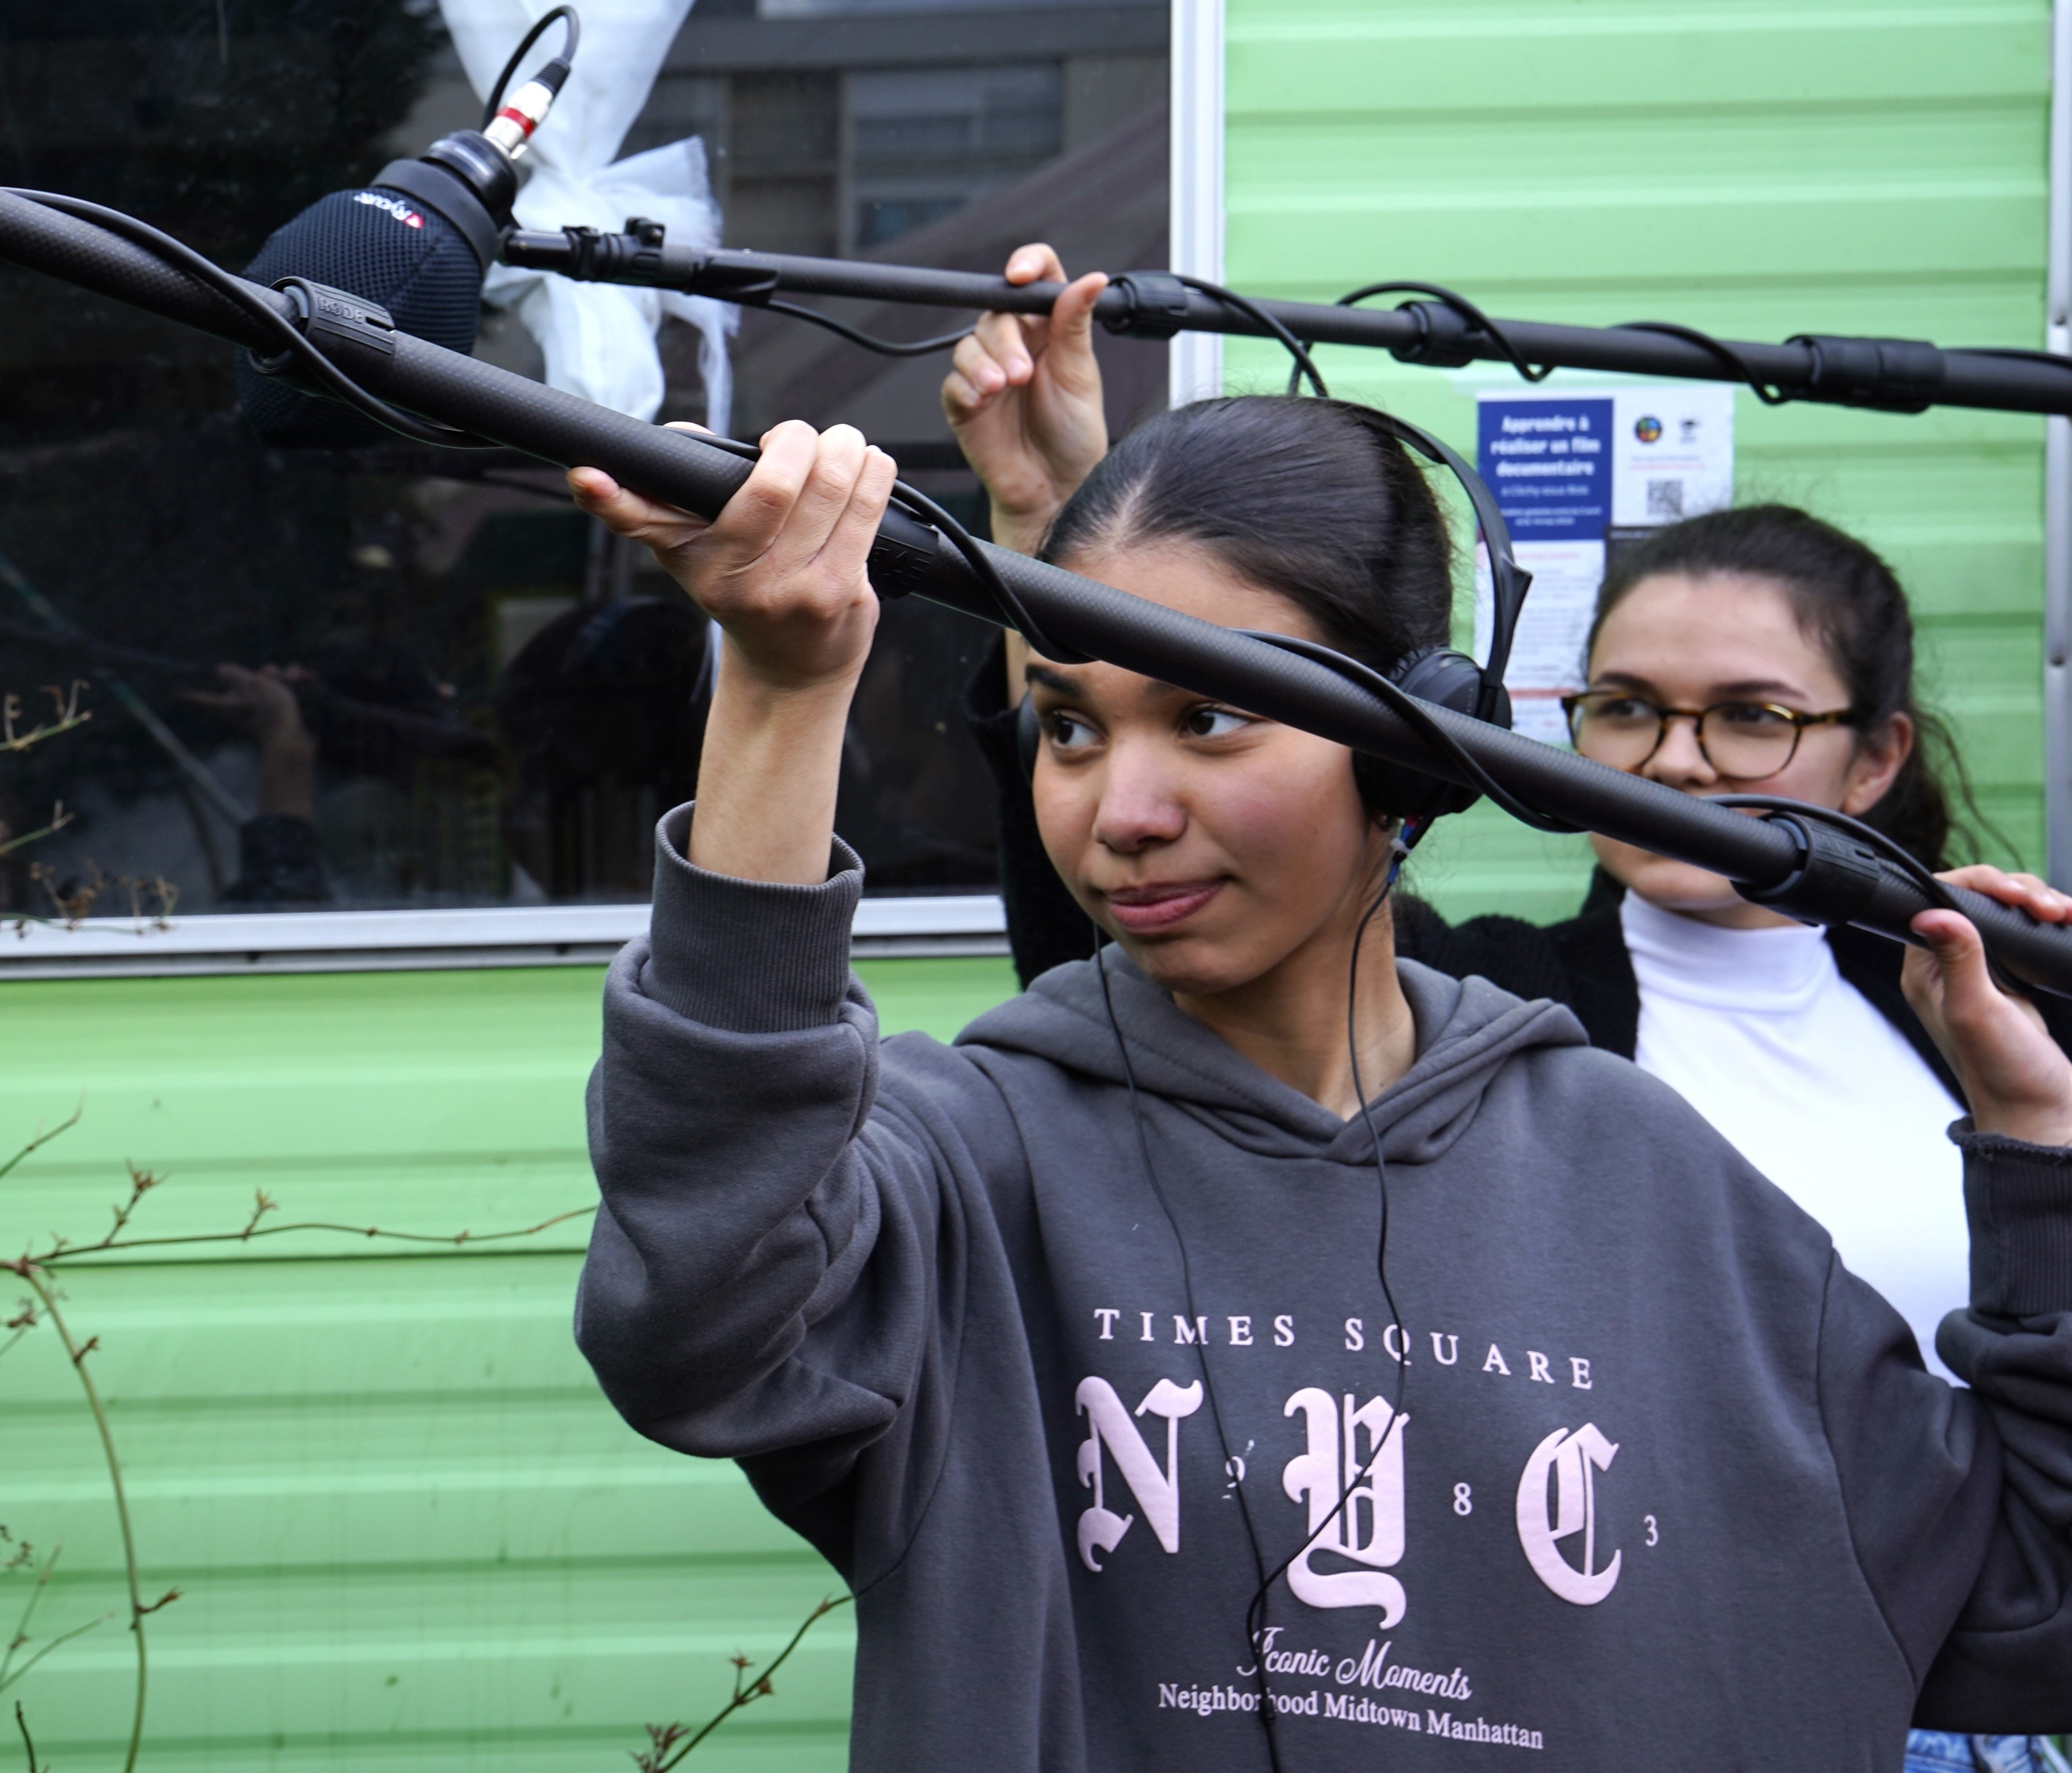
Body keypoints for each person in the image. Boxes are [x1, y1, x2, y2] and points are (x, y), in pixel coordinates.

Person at [562, 396, 2072, 1764]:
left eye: (1208, 716)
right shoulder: (969, 1159)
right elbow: (696, 1309)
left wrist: (2038, 1139)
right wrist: (780, 688)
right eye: (1073, 725)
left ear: (1409, 748)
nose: (1124, 810)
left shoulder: (1649, 1175)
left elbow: (2031, 1604)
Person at [945, 252, 2072, 1387]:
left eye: (1750, 717)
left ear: (1875, 759)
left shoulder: (2003, 1023)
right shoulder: (1483, 1005)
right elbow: (1121, 960)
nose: (1675, 760)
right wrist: (1047, 541)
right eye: (1625, 708)